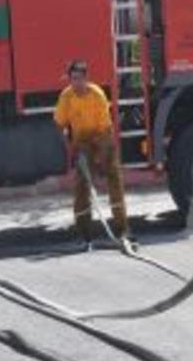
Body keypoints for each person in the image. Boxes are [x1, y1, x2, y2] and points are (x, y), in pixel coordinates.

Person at [54, 60, 129, 249]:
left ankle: (122, 230)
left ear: (86, 78)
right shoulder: (66, 97)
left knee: (114, 179)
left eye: (79, 79)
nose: (76, 83)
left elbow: (105, 129)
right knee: (81, 186)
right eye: (73, 79)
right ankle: (84, 234)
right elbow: (59, 125)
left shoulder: (97, 95)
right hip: (81, 143)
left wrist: (99, 159)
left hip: (101, 138)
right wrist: (71, 149)